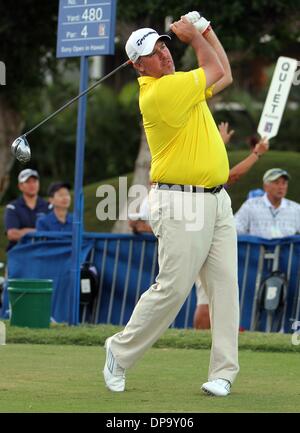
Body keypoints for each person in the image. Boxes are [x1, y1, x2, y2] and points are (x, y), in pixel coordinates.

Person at [103, 12, 239, 398]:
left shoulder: (182, 84)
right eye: (152, 51)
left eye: (164, 44)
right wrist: (197, 36)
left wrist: (208, 31)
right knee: (173, 288)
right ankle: (119, 351)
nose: (163, 53)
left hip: (216, 200)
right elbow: (212, 65)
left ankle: (223, 373)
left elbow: (223, 73)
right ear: (137, 65)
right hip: (180, 201)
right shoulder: (160, 93)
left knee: (226, 287)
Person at [194, 131, 270, 329]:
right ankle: (201, 340)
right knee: (199, 294)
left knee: (212, 292)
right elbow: (232, 175)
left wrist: (219, 142)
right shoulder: (199, 172)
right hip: (200, 236)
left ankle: (212, 337)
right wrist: (256, 154)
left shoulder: (192, 165)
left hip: (199, 234)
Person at [235, 168, 300, 238]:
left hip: (286, 249)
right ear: (265, 186)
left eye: (284, 183)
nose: (281, 187)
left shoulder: (295, 208)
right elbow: (235, 229)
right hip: (257, 248)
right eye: (276, 183)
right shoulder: (251, 205)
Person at [4, 168, 51, 251]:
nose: (32, 185)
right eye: (27, 182)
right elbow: (12, 234)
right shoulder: (12, 208)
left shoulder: (48, 206)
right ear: (20, 186)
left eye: (34, 181)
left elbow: (53, 232)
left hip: (43, 253)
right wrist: (40, 232)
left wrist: (24, 231)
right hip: (19, 253)